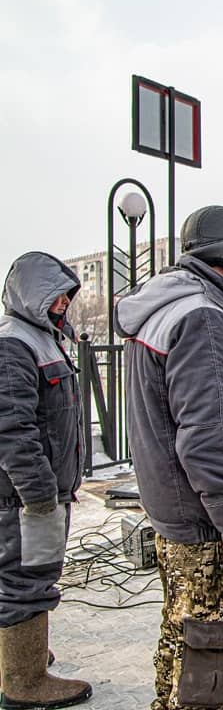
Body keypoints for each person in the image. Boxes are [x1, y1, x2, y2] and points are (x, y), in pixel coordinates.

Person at [116, 206, 223, 710]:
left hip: (182, 519)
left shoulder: (176, 306)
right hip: (211, 530)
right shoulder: (205, 318)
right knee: (213, 666)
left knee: (184, 646)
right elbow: (212, 445)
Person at [0, 252, 92, 709]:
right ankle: (23, 679)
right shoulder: (15, 344)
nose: (62, 302)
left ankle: (20, 657)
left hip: (39, 492)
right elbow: (12, 428)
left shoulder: (46, 339)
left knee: (28, 575)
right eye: (54, 294)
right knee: (26, 579)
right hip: (25, 498)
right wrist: (37, 494)